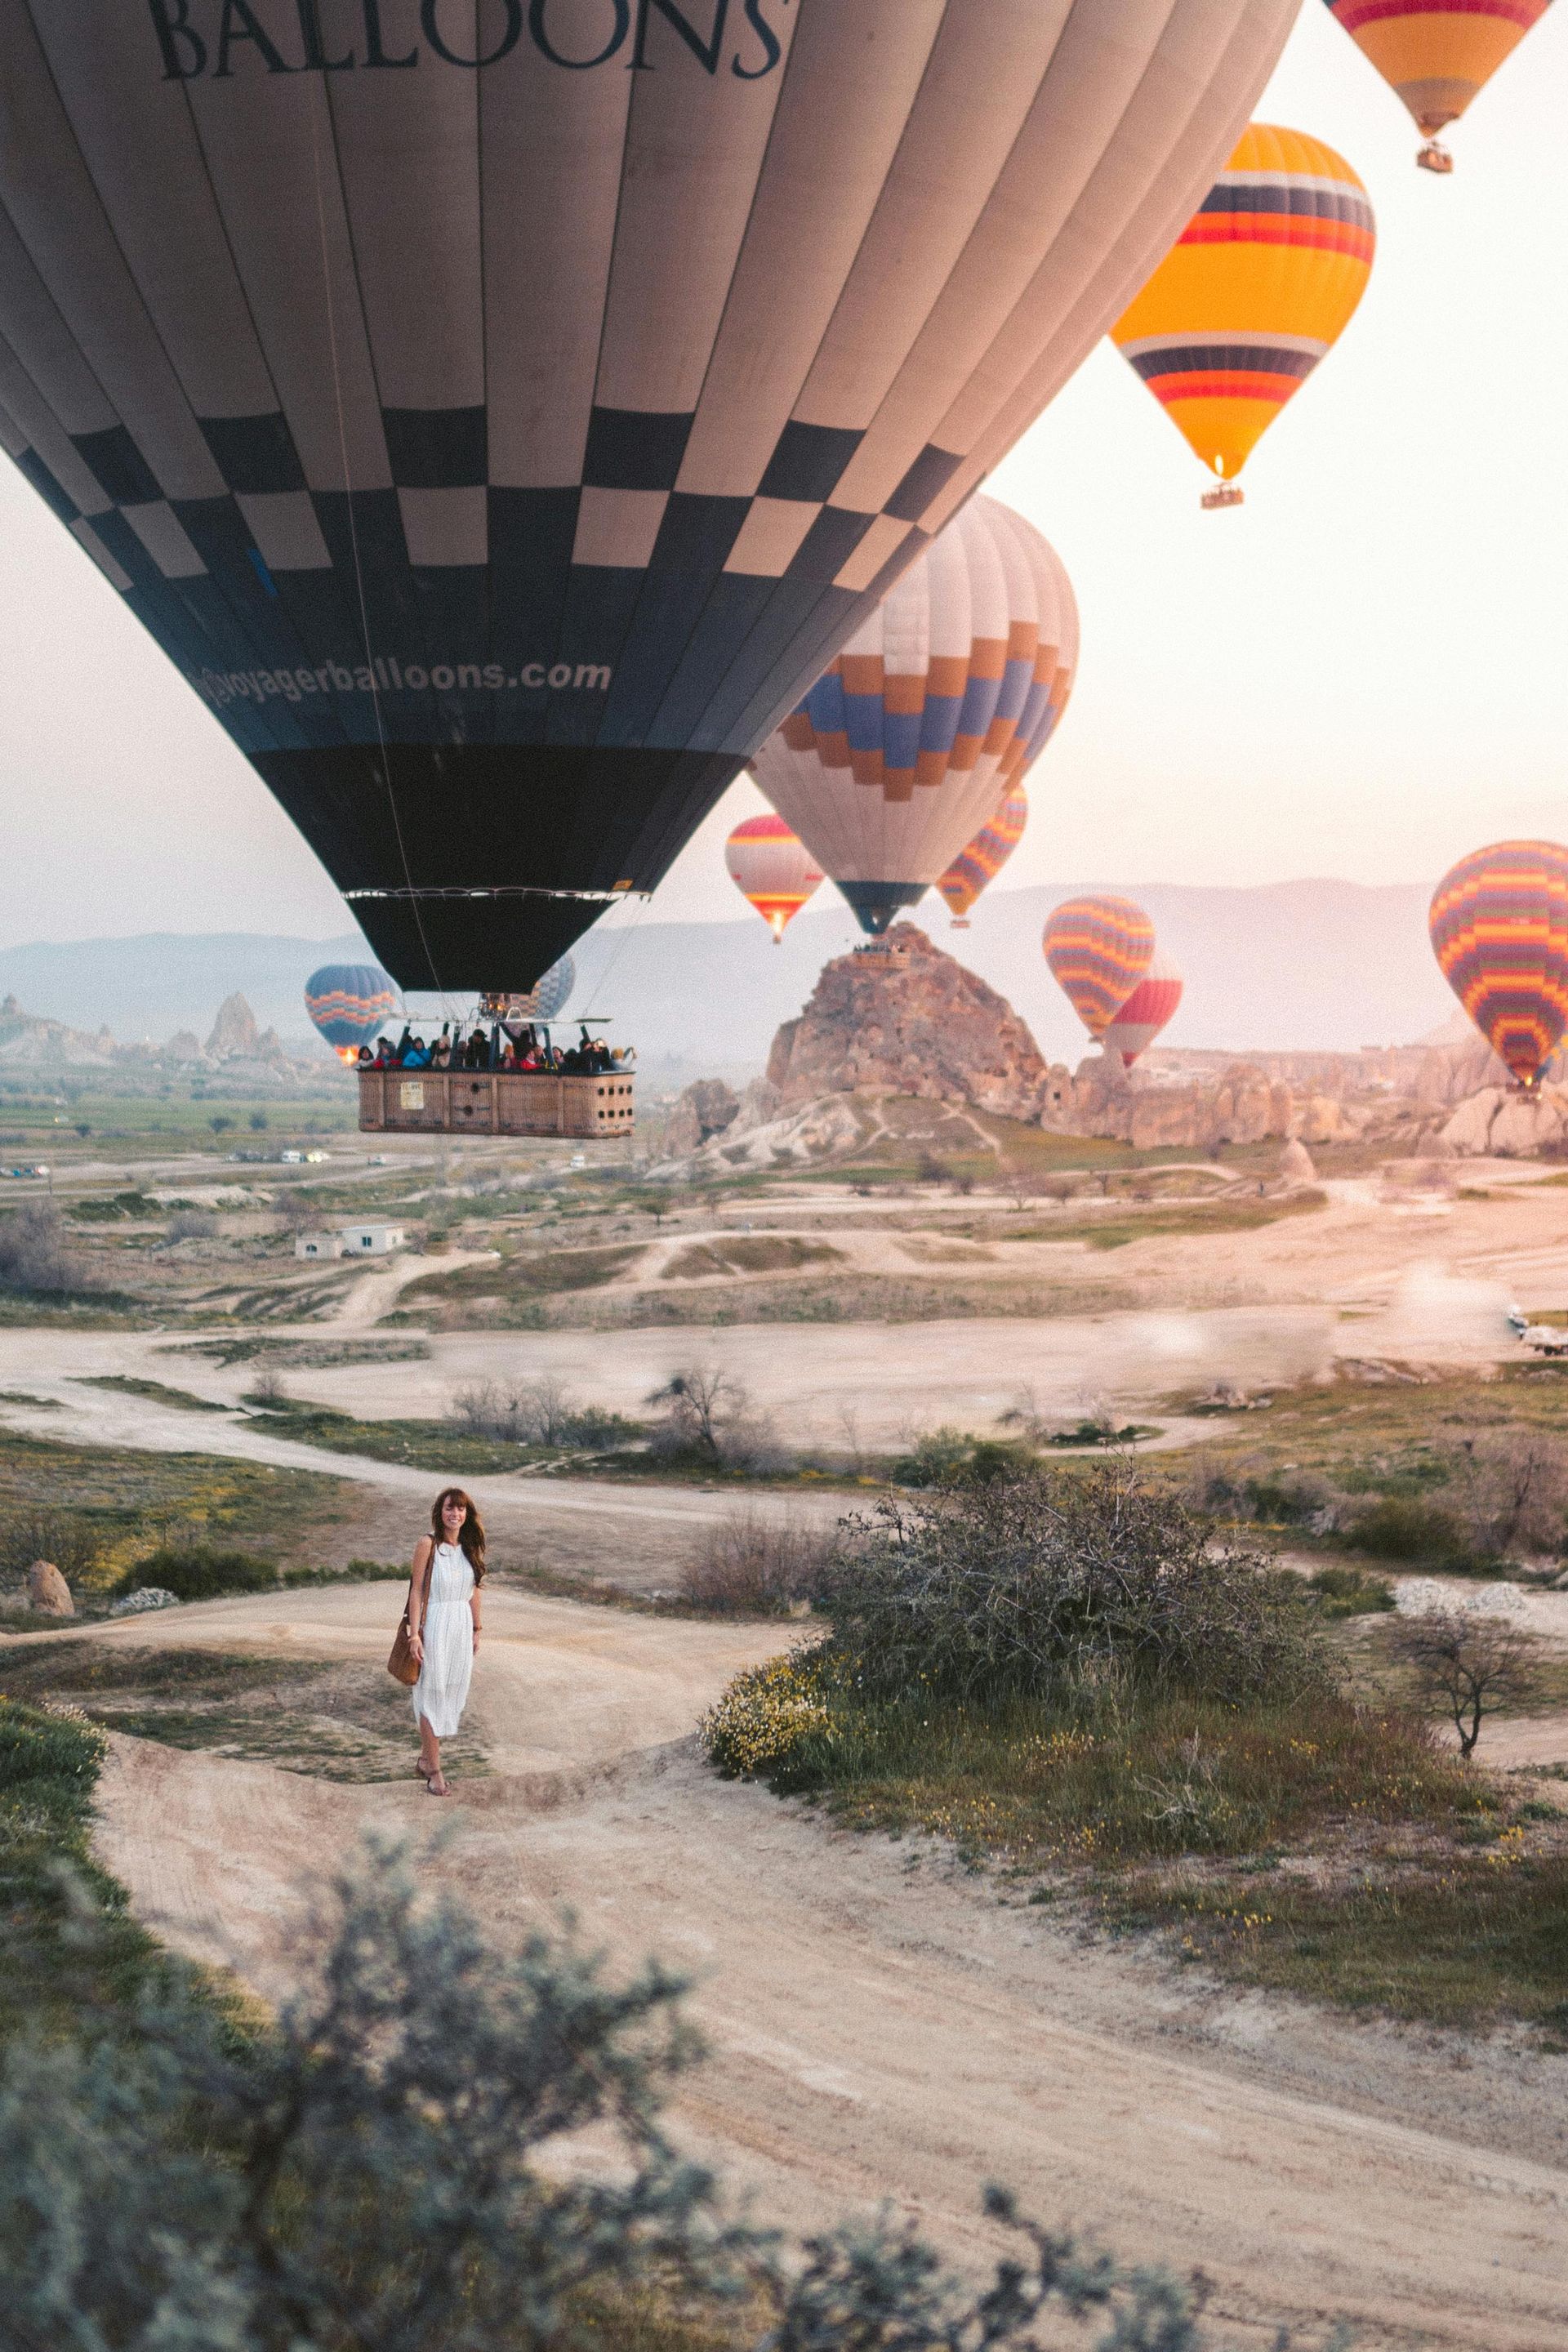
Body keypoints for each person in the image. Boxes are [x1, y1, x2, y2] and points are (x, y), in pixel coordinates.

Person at [404, 1486, 484, 1796]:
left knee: (451, 1691)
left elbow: (475, 1590)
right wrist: (414, 1634)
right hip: (435, 1624)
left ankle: (426, 1758)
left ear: (467, 1514)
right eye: (450, 1508)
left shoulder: (468, 1547)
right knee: (430, 1692)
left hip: (461, 1627)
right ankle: (434, 1772)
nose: (456, 1514)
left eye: (461, 1509)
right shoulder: (428, 1545)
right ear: (440, 1512)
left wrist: (477, 1628)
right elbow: (416, 1591)